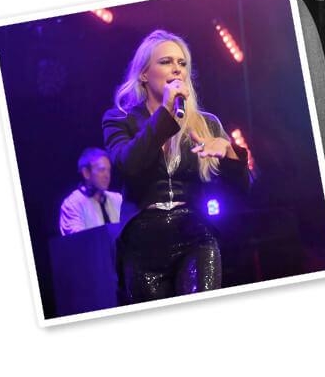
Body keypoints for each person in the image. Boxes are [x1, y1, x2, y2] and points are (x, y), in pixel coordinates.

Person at [103, 29, 250, 304]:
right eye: (166, 62)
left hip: (194, 233)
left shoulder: (206, 123)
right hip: (143, 239)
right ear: (144, 74)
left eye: (182, 63)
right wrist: (166, 114)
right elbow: (128, 164)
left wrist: (229, 153)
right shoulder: (119, 119)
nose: (176, 69)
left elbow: (243, 190)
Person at [59, 147, 123, 235]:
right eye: (102, 170)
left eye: (109, 170)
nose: (107, 175)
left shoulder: (117, 199)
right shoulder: (72, 204)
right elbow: (78, 241)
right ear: (86, 173)